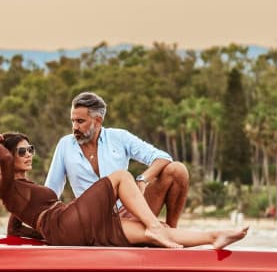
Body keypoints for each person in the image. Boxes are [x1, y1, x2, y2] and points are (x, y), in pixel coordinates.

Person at [0, 132, 247, 249]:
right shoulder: (6, 187)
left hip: (70, 229)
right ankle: (156, 227)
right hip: (65, 224)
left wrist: (41, 238)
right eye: (22, 151)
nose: (29, 154)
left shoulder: (23, 192)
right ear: (8, 156)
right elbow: (4, 161)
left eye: (30, 149)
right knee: (122, 177)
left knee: (145, 233)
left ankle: (214, 237)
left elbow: (15, 229)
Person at [44, 92, 190, 227]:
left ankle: (172, 230)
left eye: (80, 121)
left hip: (131, 210)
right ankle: (147, 231)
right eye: (73, 121)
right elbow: (51, 190)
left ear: (98, 120)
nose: (75, 127)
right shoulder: (65, 145)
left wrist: (142, 180)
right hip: (92, 219)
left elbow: (163, 157)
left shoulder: (119, 137)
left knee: (177, 170)